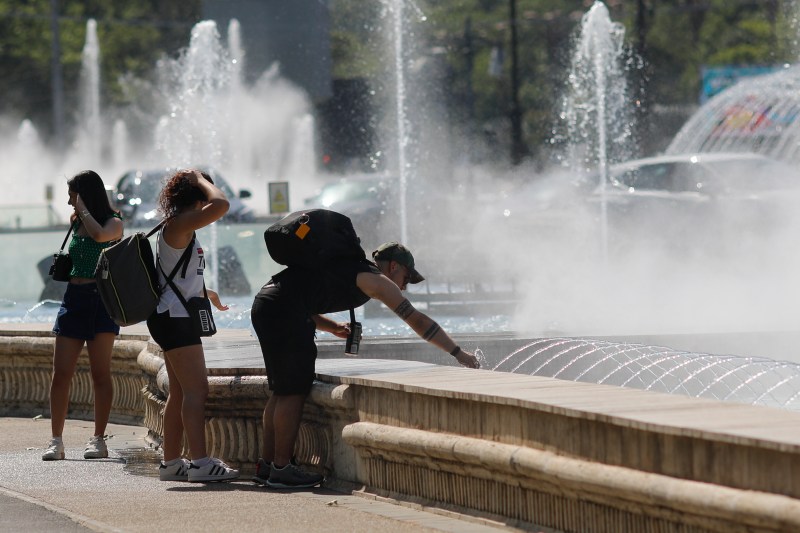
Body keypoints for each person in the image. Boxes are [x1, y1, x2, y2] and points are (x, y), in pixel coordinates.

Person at [251, 239, 480, 488]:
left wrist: (332, 327)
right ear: (394, 266)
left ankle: (268, 465)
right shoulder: (377, 281)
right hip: (284, 311)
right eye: (406, 277)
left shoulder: (350, 268)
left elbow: (296, 295)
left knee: (281, 390)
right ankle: (282, 469)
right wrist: (457, 352)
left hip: (266, 303)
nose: (404, 286)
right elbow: (417, 321)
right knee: (293, 390)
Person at [146, 169, 239, 483]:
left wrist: (204, 291)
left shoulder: (179, 224)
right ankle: (200, 463)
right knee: (198, 390)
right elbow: (222, 205)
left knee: (181, 392)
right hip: (174, 319)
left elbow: (176, 273)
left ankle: (171, 462)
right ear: (198, 196)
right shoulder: (180, 222)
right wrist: (202, 180)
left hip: (171, 315)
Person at [43, 170, 124, 461]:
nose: (68, 202)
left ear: (86, 195)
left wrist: (84, 210)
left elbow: (101, 236)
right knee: (60, 373)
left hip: (102, 301)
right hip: (74, 300)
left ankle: (98, 439)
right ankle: (56, 440)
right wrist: (80, 212)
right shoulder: (76, 220)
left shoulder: (114, 222)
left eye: (72, 195)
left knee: (100, 373)